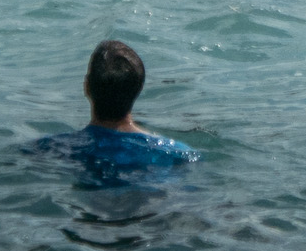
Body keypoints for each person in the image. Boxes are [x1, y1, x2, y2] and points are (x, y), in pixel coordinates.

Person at [30, 40, 198, 183]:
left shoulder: (49, 149)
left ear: (86, 86)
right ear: (139, 89)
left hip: (87, 218)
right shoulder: (178, 155)